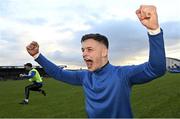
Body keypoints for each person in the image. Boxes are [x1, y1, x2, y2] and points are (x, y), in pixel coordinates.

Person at [26, 5, 166, 117]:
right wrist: (37, 55)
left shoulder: (122, 74)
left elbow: (156, 69)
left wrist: (154, 30)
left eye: (89, 49)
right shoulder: (84, 76)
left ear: (104, 52)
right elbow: (58, 73)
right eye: (82, 50)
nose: (84, 54)